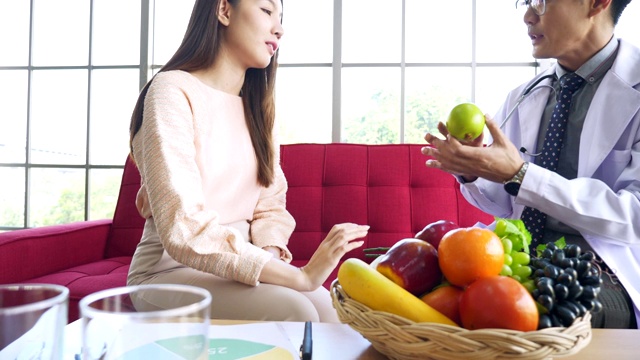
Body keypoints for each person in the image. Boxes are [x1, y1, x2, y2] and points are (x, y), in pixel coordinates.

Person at [126, 0, 369, 323]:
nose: (279, 28)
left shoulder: (259, 112)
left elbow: (270, 208)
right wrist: (297, 277)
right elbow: (183, 226)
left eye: (281, 18)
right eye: (267, 11)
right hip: (168, 270)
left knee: (338, 316)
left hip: (242, 263)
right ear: (224, 10)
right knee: (296, 311)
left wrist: (268, 260)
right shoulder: (172, 90)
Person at [422, 0, 639, 329]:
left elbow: (633, 217)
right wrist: (475, 169)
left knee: (523, 316)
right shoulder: (524, 95)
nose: (527, 16)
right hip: (522, 256)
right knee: (419, 290)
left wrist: (521, 175)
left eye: (541, 2)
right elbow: (505, 202)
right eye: (525, 3)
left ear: (597, 3)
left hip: (604, 268)